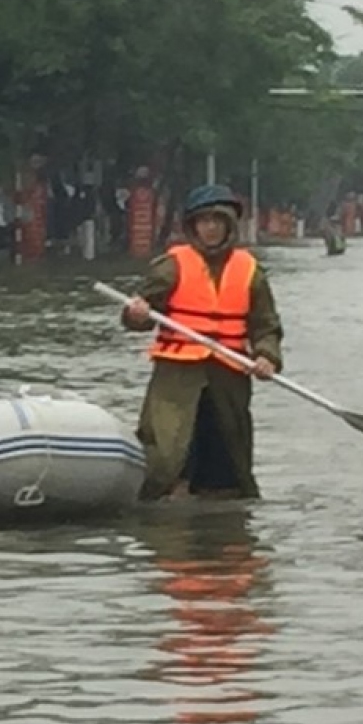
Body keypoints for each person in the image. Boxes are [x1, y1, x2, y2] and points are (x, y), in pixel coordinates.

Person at [120, 184, 284, 501]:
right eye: (204, 221)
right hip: (177, 378)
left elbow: (266, 326)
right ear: (193, 226)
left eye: (217, 221)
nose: (210, 228)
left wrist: (267, 356)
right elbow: (138, 314)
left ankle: (223, 518)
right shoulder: (170, 267)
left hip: (228, 377)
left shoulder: (251, 273)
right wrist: (137, 315)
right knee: (169, 452)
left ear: (229, 226)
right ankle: (165, 505)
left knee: (229, 459)